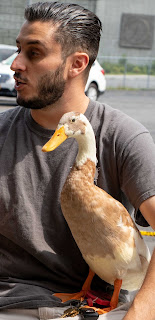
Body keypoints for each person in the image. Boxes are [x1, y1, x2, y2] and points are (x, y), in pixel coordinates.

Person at [0, 1, 154, 319]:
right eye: (18, 50)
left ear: (77, 64)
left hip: (94, 309)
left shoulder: (124, 136)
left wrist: (141, 310)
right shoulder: (2, 132)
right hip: (10, 304)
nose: (15, 64)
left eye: (34, 52)